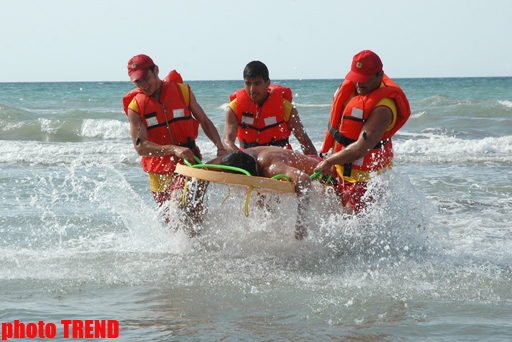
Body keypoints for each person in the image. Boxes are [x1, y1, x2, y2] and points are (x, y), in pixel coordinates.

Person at [122, 54, 226, 224]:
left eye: (145, 78)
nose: (143, 85)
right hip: (158, 171)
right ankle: (197, 247)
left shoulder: (182, 91)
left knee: (179, 205)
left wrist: (220, 146)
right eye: (137, 82)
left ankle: (207, 244)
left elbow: (205, 121)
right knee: (174, 225)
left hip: (188, 161)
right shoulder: (136, 107)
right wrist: (173, 149)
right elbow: (140, 147)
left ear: (156, 70)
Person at [314, 50, 411, 213]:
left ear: (379, 76)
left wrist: (328, 161)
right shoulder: (353, 92)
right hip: (341, 172)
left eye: (364, 80)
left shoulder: (383, 109)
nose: (359, 84)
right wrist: (332, 164)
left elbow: (361, 148)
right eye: (356, 79)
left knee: (351, 226)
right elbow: (340, 132)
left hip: (366, 182)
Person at [209, 146, 333, 240]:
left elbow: (304, 180)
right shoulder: (234, 159)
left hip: (325, 172)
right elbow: (203, 168)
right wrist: (195, 208)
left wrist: (301, 223)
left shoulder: (270, 166)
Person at [223, 61, 318, 156]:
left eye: (257, 84)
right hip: (248, 159)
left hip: (279, 160)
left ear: (267, 83)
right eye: (248, 84)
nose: (252, 89)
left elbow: (305, 142)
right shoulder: (233, 109)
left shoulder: (285, 108)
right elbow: (227, 141)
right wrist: (242, 159)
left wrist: (317, 164)